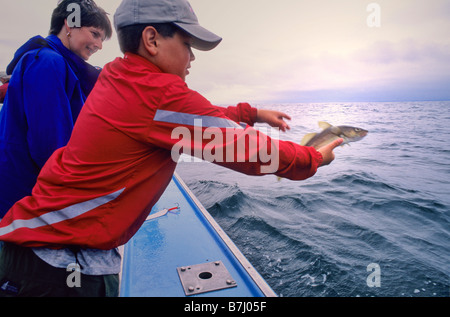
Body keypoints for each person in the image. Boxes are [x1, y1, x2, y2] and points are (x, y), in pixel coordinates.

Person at [0, 0, 343, 297]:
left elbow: (191, 118)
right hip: (59, 265)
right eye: (188, 43)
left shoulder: (120, 76)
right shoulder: (157, 93)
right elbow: (242, 148)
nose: (193, 56)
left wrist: (250, 113)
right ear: (151, 39)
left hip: (28, 244)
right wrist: (313, 158)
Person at [0, 0, 112, 218]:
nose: (99, 45)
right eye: (95, 34)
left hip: (29, 193)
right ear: (69, 25)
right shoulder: (48, 62)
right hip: (26, 198)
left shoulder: (52, 61)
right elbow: (49, 146)